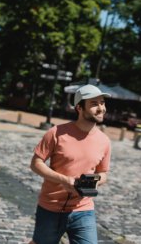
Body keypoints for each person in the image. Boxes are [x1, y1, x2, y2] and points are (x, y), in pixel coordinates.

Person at [29, 84, 112, 244]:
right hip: (50, 207)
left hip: (83, 208)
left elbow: (103, 174)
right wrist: (64, 180)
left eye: (102, 103)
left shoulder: (104, 141)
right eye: (94, 104)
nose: (101, 108)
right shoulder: (56, 133)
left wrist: (90, 181)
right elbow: (36, 163)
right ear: (79, 108)